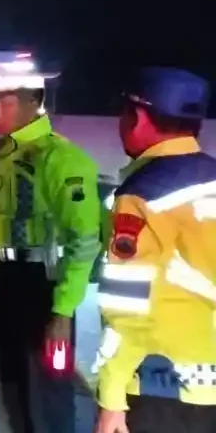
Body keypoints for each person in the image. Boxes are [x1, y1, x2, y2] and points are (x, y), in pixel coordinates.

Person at [0, 73, 102, 432]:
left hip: (41, 287)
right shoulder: (0, 155)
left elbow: (84, 240)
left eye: (5, 102)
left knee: (47, 397)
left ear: (32, 103)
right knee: (6, 385)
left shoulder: (61, 158)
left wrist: (63, 311)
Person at [93, 67, 216, 433]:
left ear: (138, 117)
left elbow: (127, 306)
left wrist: (112, 398)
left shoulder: (143, 194)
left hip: (164, 388)